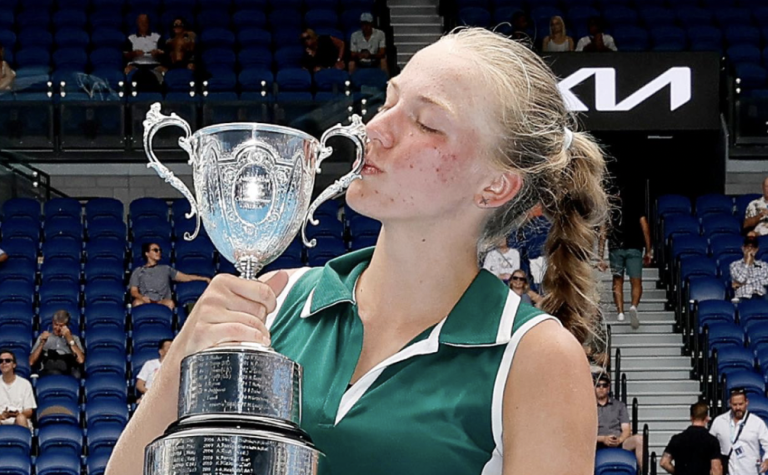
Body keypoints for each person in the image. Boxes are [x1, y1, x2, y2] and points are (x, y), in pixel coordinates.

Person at [109, 27, 610, 475]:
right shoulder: (276, 299)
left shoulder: (535, 357)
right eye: (388, 101)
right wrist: (183, 359)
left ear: (495, 186)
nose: (373, 130)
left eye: (427, 123)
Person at [598, 182, 652, 329]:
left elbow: (603, 233)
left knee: (617, 281)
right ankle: (633, 306)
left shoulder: (609, 210)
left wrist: (600, 257)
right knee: (636, 282)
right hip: (634, 247)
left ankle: (620, 312)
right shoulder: (636, 207)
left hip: (616, 248)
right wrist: (648, 250)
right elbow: (645, 227)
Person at [129, 242, 211, 310]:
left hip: (162, 300)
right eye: (155, 250)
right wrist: (142, 298)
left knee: (170, 303)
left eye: (160, 250)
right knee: (136, 303)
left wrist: (203, 278)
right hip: (145, 300)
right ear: (147, 253)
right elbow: (133, 291)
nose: (159, 252)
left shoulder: (166, 269)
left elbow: (186, 277)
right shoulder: (138, 271)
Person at [710, 388, 768, 475]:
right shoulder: (719, 421)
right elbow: (709, 444)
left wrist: (767, 460)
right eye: (734, 404)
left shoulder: (757, 423)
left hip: (750, 471)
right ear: (730, 403)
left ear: (746, 402)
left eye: (740, 404)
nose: (738, 408)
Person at [596, 373, 644, 471]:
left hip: (619, 442)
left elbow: (626, 429)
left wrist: (619, 440)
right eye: (598, 385)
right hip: (597, 443)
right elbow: (585, 434)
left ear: (608, 388)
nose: (601, 388)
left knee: (639, 439)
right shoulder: (588, 407)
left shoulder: (619, 405)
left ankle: (642, 472)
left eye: (604, 385)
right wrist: (603, 439)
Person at [660, 402, 722, 475]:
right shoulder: (712, 441)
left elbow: (664, 462)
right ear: (706, 418)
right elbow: (716, 469)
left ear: (691, 418)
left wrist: (677, 472)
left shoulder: (677, 439)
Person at [29, 310, 85, 378]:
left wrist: (69, 339)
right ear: (52, 322)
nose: (57, 328)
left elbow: (81, 360)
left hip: (67, 371)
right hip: (47, 370)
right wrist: (41, 343)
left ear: (67, 326)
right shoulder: (43, 337)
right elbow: (31, 362)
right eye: (55, 324)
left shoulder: (75, 338)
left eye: (61, 326)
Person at [0, 349, 36, 430]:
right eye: (1, 361)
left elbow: (29, 411)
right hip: (1, 419)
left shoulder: (25, 384)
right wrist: (2, 416)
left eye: (8, 360)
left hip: (19, 419)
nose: (4, 363)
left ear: (14, 365)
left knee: (21, 418)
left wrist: (17, 414)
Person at [730, 235, 768, 301]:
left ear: (756, 250)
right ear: (743, 248)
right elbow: (741, 279)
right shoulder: (735, 265)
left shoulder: (763, 265)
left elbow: (766, 281)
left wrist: (740, 284)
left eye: (753, 248)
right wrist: (747, 263)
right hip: (743, 296)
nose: (750, 250)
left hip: (760, 295)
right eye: (747, 247)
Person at [135, 339, 172, 404]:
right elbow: (139, 385)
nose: (171, 350)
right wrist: (150, 394)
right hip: (150, 398)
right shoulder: (150, 364)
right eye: (168, 348)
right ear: (161, 351)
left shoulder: (177, 366)